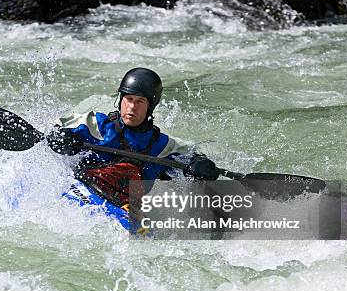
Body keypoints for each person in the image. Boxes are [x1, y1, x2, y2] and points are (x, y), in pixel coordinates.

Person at [46, 67, 220, 208]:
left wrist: (201, 166)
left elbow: (189, 160)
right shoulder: (96, 125)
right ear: (121, 100)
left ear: (150, 107)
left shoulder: (162, 147)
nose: (131, 107)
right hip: (82, 188)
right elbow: (56, 131)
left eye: (140, 101)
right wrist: (60, 138)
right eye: (128, 99)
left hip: (124, 207)